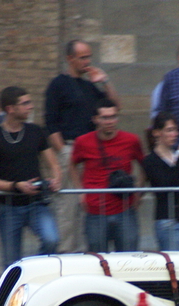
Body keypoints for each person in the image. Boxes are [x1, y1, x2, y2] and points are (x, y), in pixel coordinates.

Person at [45, 39, 120, 253]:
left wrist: (104, 82)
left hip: (92, 153)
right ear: (70, 59)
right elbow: (51, 123)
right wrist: (63, 151)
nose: (87, 61)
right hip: (69, 148)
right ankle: (65, 253)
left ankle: (88, 253)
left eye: (89, 57)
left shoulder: (90, 86)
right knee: (68, 206)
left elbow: (115, 107)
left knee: (90, 202)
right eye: (83, 57)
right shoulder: (58, 84)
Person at [0, 86, 62, 269]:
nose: (30, 107)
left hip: (36, 203)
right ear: (10, 109)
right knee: (11, 261)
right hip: (8, 206)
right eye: (25, 103)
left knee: (52, 239)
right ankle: (14, 293)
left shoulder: (36, 131)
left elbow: (53, 164)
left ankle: (34, 271)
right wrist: (16, 186)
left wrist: (56, 178)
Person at [70, 98, 144, 252]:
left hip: (125, 209)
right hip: (95, 211)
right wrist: (80, 193)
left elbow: (144, 164)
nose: (110, 121)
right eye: (105, 117)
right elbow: (72, 165)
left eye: (113, 116)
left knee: (128, 260)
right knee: (97, 262)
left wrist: (139, 192)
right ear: (95, 119)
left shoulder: (131, 140)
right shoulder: (83, 142)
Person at [142, 112, 179, 251]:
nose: (174, 134)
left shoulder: (178, 155)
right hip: (169, 221)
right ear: (157, 133)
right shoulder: (150, 160)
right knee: (174, 265)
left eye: (176, 130)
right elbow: (167, 184)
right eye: (169, 130)